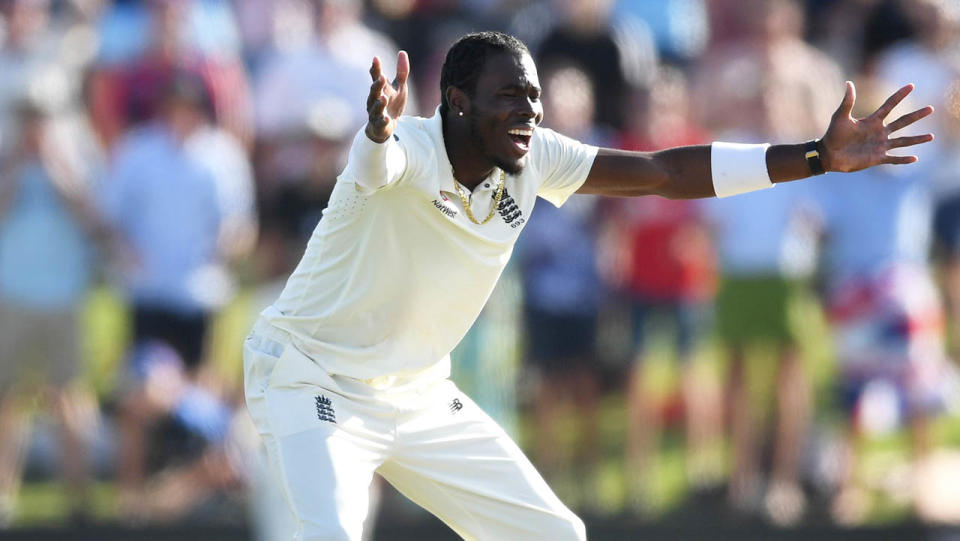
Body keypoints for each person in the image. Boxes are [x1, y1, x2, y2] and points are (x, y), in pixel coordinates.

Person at [242, 31, 934, 541]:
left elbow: (665, 171)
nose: (529, 111)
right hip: (313, 377)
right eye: (508, 96)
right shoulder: (410, 149)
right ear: (455, 102)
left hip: (415, 392)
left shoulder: (534, 155)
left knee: (557, 535)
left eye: (535, 96)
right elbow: (375, 165)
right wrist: (375, 126)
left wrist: (815, 157)